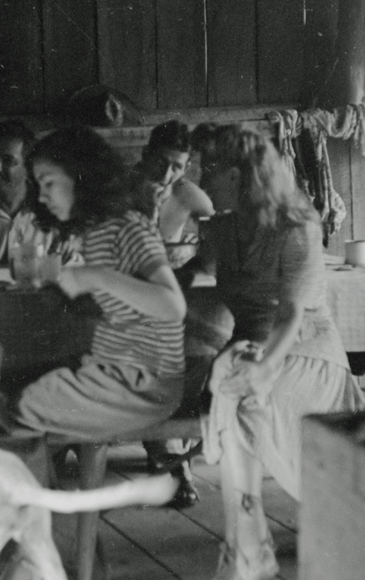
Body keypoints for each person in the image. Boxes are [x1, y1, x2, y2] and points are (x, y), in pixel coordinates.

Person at [189, 123, 365, 580]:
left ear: (241, 173)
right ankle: (246, 554)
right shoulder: (222, 228)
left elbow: (292, 313)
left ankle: (244, 557)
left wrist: (266, 369)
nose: (201, 178)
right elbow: (186, 275)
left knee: (236, 393)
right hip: (252, 348)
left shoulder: (297, 225)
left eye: (211, 169)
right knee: (232, 389)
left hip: (308, 352)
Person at [3, 125, 187, 439]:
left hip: (143, 387)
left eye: (49, 184)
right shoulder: (94, 233)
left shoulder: (127, 228)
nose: (43, 197)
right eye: (38, 186)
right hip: (115, 374)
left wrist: (95, 277)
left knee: (19, 405)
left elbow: (173, 306)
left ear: (82, 178)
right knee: (14, 386)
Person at [135, 120, 217, 510]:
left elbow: (215, 220)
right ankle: (166, 457)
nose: (169, 174)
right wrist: (149, 210)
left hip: (171, 292)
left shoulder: (185, 194)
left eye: (179, 166)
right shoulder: (124, 191)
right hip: (126, 294)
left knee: (201, 343)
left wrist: (200, 254)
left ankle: (172, 451)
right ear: (147, 155)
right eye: (164, 163)